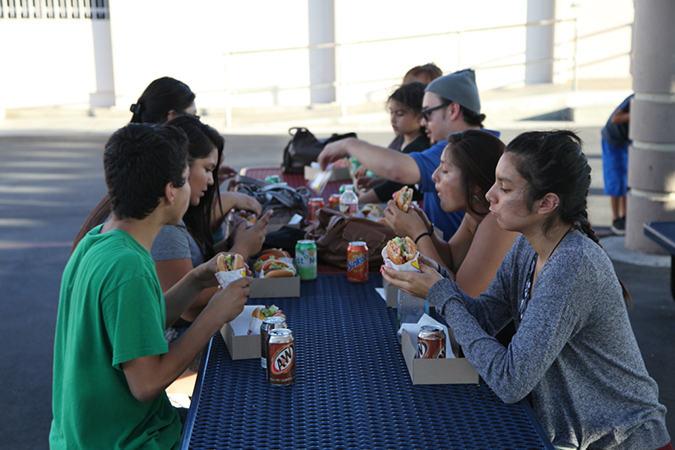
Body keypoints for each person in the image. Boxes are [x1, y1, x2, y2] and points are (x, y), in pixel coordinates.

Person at [382, 130, 671, 450]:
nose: (490, 195)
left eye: (504, 188)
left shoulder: (572, 266)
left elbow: (510, 381)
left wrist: (442, 296)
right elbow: (485, 318)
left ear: (547, 203)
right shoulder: (527, 247)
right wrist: (438, 280)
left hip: (624, 442)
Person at [50, 123, 252, 448]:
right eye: (185, 180)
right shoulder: (129, 268)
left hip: (79, 436)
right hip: (129, 440)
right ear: (171, 191)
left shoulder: (100, 241)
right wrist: (213, 316)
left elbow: (134, 330)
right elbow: (147, 384)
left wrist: (194, 280)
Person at [71, 76, 260, 253]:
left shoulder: (138, 199)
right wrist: (239, 250)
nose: (197, 125)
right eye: (193, 117)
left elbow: (192, 273)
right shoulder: (162, 222)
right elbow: (186, 284)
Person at [319, 68, 496, 240]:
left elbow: (396, 169)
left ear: (453, 110)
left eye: (427, 113)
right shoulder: (485, 144)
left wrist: (347, 144)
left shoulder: (461, 149)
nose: (423, 122)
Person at [153, 115, 269, 334]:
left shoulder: (172, 219)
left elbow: (195, 266)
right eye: (208, 169)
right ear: (181, 169)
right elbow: (189, 310)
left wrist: (229, 244)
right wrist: (241, 251)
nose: (212, 181)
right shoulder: (167, 226)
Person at [383, 130, 518, 297]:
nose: (434, 176)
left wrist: (417, 233)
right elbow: (451, 259)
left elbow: (459, 295)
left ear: (474, 184)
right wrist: (427, 228)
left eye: (445, 171)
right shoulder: (475, 213)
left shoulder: (497, 222)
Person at [356, 82, 429, 204]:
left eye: (400, 114)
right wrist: (378, 182)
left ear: (420, 116)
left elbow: (392, 187)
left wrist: (355, 203)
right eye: (391, 112)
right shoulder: (403, 141)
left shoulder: (419, 147)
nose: (393, 119)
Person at [601, 94, 633, 235]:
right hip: (613, 141)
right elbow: (615, 119)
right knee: (616, 179)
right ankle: (616, 219)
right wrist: (635, 114)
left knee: (627, 179)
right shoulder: (634, 99)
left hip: (626, 142)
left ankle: (624, 216)